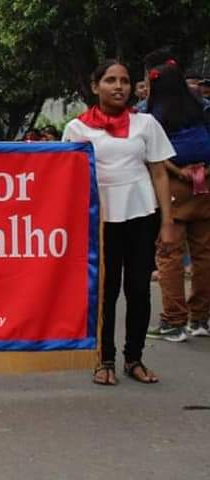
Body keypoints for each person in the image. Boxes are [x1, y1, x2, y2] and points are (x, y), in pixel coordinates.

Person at [62, 60, 174, 386]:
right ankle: (104, 358)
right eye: (110, 80)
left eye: (125, 80)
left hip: (141, 213)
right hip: (99, 219)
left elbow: (159, 171)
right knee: (105, 291)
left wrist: (167, 222)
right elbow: (66, 179)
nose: (119, 86)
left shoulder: (147, 124)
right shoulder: (77, 129)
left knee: (139, 289)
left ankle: (134, 358)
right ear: (95, 87)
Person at [141, 60, 210, 341]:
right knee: (204, 252)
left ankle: (173, 320)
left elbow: (156, 154)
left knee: (168, 251)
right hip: (205, 182)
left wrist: (178, 172)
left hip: (174, 186)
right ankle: (201, 319)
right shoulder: (201, 106)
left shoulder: (151, 113)